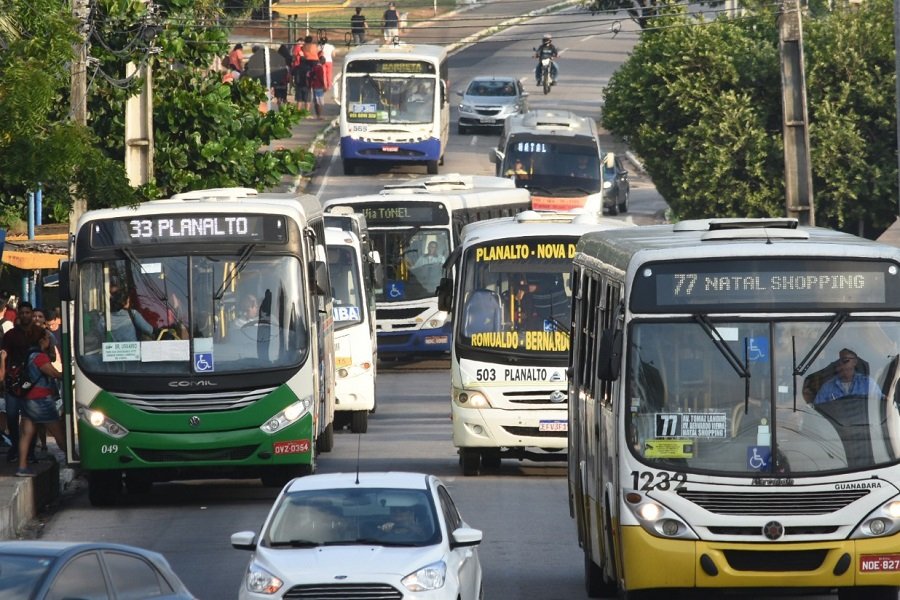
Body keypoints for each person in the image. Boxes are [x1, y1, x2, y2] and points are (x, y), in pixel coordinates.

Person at [15, 325, 67, 477]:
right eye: (47, 339)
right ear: (42, 340)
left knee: (26, 434)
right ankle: (76, 459)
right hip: (41, 400)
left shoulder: (27, 354)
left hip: (27, 399)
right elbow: (54, 374)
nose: (49, 342)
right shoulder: (39, 356)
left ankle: (22, 467)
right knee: (59, 434)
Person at [3, 300, 36, 465]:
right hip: (13, 381)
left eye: (27, 313)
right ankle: (15, 446)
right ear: (18, 314)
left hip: (34, 382)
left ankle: (30, 451)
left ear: (31, 314)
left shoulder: (39, 333)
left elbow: (49, 356)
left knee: (31, 417)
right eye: (21, 313)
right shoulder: (10, 335)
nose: (24, 315)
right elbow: (4, 355)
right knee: (11, 415)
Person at [813, 349, 883, 405]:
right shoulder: (827, 388)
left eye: (845, 361)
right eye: (838, 362)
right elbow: (817, 412)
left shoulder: (868, 384)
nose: (841, 365)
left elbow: (881, 406)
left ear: (855, 362)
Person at [308, 55, 327, 119]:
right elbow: (321, 77)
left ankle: (317, 115)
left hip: (314, 86)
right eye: (324, 60)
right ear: (321, 60)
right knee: (320, 102)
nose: (325, 61)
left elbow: (310, 75)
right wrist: (324, 86)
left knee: (316, 101)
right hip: (319, 86)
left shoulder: (314, 67)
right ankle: (319, 116)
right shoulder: (320, 68)